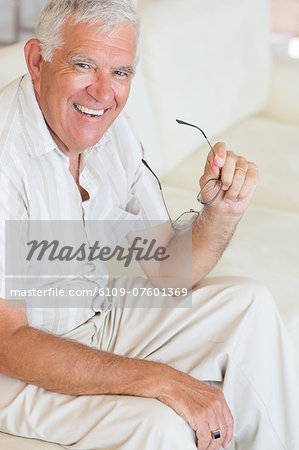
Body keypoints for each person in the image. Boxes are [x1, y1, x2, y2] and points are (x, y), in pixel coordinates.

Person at [0, 1, 298, 449]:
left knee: (248, 304)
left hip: (100, 319)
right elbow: (12, 342)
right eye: (84, 65)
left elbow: (170, 272)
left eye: (121, 73)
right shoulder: (7, 156)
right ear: (38, 61)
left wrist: (222, 211)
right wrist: (162, 381)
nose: (103, 93)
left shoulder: (110, 130)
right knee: (163, 426)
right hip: (18, 366)